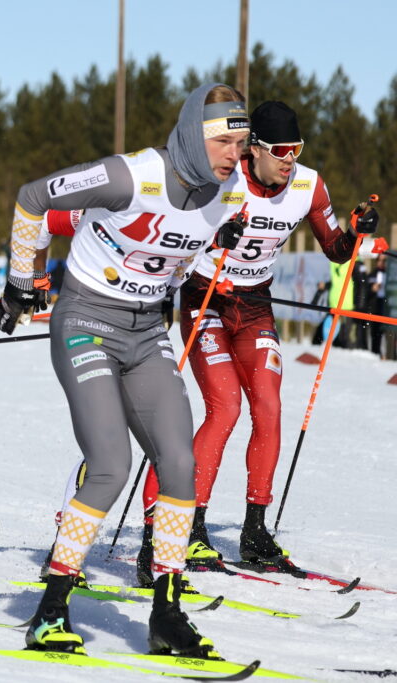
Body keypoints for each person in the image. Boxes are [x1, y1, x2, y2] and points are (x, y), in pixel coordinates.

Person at [0, 83, 249, 657]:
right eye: (223, 141)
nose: (234, 154)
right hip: (86, 320)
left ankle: (167, 613)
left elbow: (177, 254)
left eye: (241, 143)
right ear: (194, 134)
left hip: (145, 331)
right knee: (111, 465)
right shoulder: (131, 175)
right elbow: (33, 197)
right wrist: (20, 281)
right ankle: (51, 609)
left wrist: (213, 244)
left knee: (179, 462)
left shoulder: (229, 190)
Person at [133, 101, 372, 580]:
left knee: (268, 406)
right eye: (280, 150)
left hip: (255, 305)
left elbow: (336, 251)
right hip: (206, 299)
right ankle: (189, 525)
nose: (290, 159)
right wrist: (214, 237)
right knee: (225, 407)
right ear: (255, 149)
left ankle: (255, 531)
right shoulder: (222, 179)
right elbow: (173, 231)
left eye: (297, 148)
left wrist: (354, 231)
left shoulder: (309, 186)